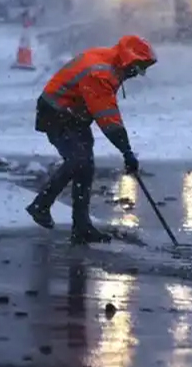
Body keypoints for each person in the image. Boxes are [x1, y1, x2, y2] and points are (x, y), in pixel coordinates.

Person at [25, 35, 156, 244]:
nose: (138, 74)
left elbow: (105, 112)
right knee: (79, 160)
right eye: (139, 68)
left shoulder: (109, 62)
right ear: (129, 61)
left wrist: (126, 150)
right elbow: (108, 118)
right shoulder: (100, 73)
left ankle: (81, 227)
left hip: (73, 114)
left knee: (85, 166)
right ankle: (41, 205)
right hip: (56, 113)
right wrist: (127, 152)